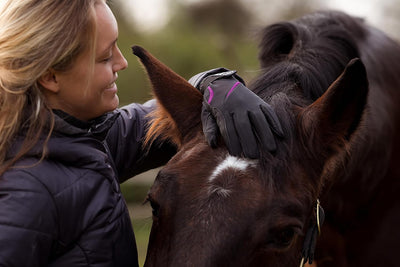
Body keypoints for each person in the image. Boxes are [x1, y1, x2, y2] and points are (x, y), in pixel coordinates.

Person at [0, 0, 283, 266]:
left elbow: (160, 115)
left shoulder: (88, 137)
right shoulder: (28, 194)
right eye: (104, 57)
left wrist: (211, 84)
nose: (122, 63)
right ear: (50, 76)